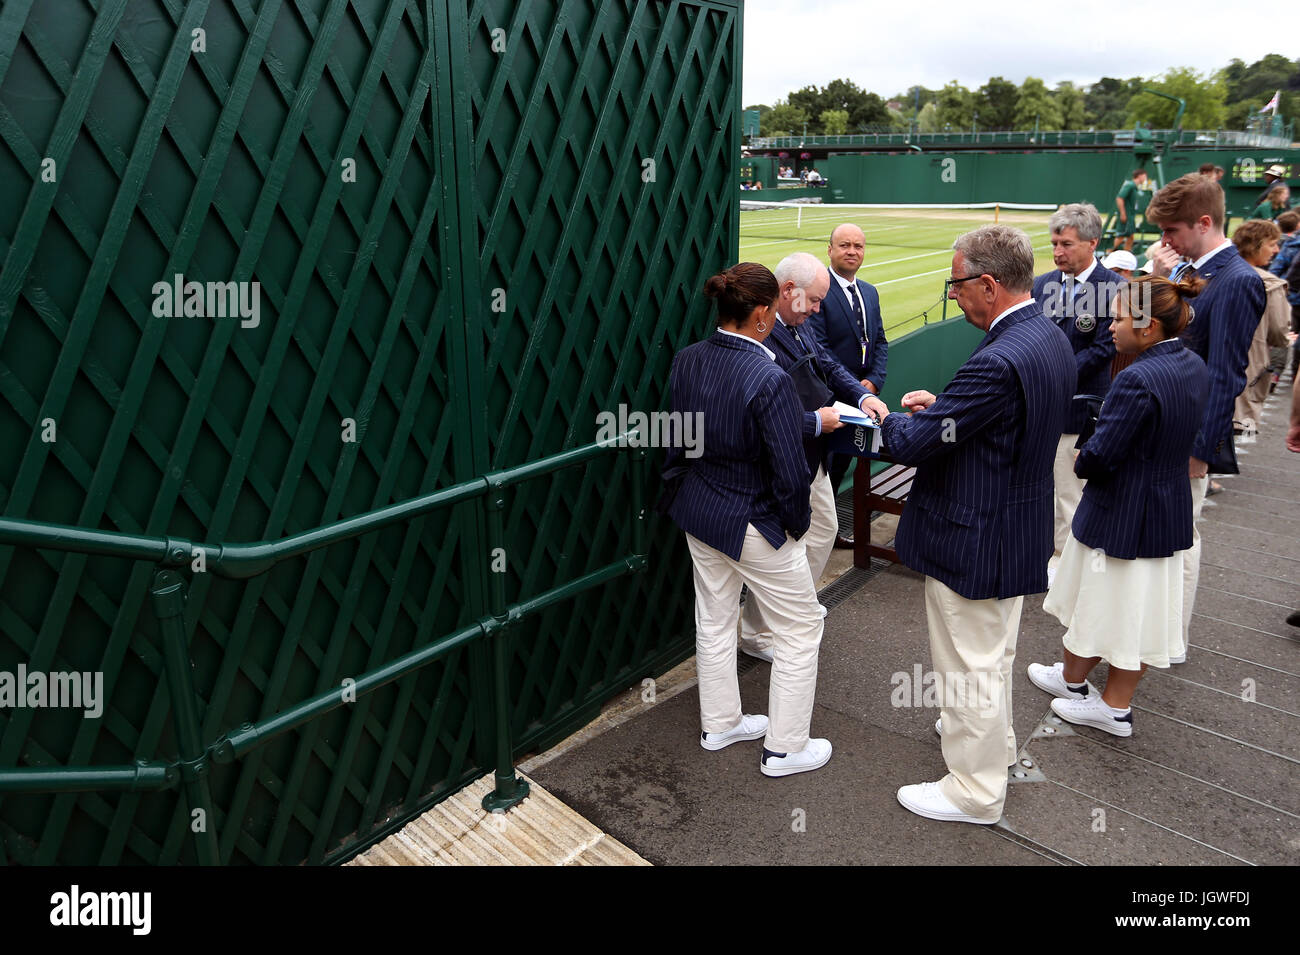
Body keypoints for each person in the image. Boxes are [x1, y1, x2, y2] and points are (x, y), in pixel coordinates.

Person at [875, 225, 1074, 824]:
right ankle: (995, 749)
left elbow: (914, 444)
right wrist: (943, 410)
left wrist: (882, 419)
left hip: (977, 533)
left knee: (969, 667)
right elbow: (993, 424)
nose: (955, 294)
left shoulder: (1001, 355)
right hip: (1012, 526)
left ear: (988, 284)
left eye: (959, 284)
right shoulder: (1047, 335)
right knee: (991, 655)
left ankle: (975, 792)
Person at [660, 262, 832, 778]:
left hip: (701, 512)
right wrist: (795, 526)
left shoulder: (688, 360)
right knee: (802, 628)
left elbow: (677, 444)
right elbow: (789, 470)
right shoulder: (768, 377)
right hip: (753, 521)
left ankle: (721, 724)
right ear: (762, 313)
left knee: (714, 620)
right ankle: (784, 748)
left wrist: (682, 496)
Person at [1033, 275, 1209, 736]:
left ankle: (1112, 707)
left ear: (1148, 326)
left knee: (1108, 606)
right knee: (1136, 612)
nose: (1111, 327)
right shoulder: (1191, 363)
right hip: (1164, 508)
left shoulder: (1137, 377)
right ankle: (1074, 681)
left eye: (1118, 318)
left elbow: (1102, 454)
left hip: (1124, 511)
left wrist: (1082, 456)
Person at [1145, 173, 1266, 661]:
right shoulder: (1185, 268)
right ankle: (1152, 635)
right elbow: (1143, 328)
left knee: (1180, 542)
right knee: (1161, 540)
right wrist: (1157, 274)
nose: (1166, 241)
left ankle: (1170, 639)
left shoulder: (1238, 280)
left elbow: (1226, 373)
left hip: (1186, 436)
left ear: (1203, 221)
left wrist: (1202, 449)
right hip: (1159, 427)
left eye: (1172, 231)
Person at [739, 252, 880, 662]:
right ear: (787, 291)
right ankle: (758, 631)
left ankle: (791, 608)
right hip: (785, 460)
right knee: (789, 544)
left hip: (811, 455)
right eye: (814, 300)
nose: (818, 308)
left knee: (822, 530)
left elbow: (828, 364)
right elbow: (757, 413)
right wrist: (816, 422)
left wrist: (863, 395)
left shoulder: (798, 323)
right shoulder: (761, 332)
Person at [1032, 203, 1123, 572]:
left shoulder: (1116, 287)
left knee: (1069, 492)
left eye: (1066, 244)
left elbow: (1105, 348)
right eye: (1054, 243)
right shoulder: (1043, 284)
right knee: (1042, 488)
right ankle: (1047, 552)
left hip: (1079, 409)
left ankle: (1064, 563)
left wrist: (1054, 372)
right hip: (1039, 407)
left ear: (1092, 243)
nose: (1057, 252)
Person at [807, 223, 890, 547]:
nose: (852, 251)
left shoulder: (869, 291)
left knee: (845, 463)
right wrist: (855, 389)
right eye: (844, 245)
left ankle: (830, 532)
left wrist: (873, 382)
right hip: (831, 400)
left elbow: (879, 340)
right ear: (830, 250)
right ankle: (814, 532)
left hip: (864, 398)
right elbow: (821, 351)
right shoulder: (820, 291)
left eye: (858, 246)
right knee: (821, 470)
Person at [1230, 220, 1290, 433]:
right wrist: (1286, 339)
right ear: (1257, 243)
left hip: (1210, 366)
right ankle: (1234, 463)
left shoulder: (1216, 272)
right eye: (1272, 244)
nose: (1276, 250)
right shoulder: (1270, 284)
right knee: (1244, 426)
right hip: (1250, 363)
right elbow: (1279, 331)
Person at [1271, 211, 1300, 377]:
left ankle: (1277, 372)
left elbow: (1276, 270)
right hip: (1292, 296)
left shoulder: (1290, 245)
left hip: (1290, 298)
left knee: (1286, 336)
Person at [1113, 168, 1149, 251]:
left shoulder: (1134, 187)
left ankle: (1127, 252)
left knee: (1130, 236)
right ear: (1139, 176)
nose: (1145, 178)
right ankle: (1111, 252)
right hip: (1127, 216)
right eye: (1144, 176)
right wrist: (1123, 213)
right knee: (1121, 235)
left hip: (1131, 216)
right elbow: (1119, 198)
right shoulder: (1129, 185)